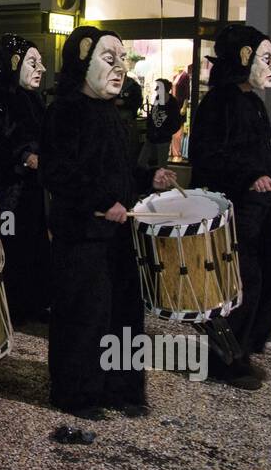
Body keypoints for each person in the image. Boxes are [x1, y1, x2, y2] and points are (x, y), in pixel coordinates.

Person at [42, 26, 176, 422]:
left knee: (124, 313)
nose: (120, 69)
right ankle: (76, 392)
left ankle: (122, 387)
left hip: (118, 235)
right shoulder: (63, 111)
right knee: (84, 315)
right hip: (81, 235)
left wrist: (147, 178)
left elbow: (117, 173)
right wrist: (102, 203)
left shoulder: (113, 114)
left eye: (123, 60)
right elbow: (58, 174)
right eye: (109, 59)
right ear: (82, 62)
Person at [189, 25, 271, 390]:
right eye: (267, 58)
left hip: (259, 211)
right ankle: (224, 361)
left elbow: (260, 155)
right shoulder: (218, 103)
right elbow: (207, 157)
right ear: (244, 59)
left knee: (269, 279)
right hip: (232, 212)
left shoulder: (253, 103)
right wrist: (249, 177)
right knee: (242, 285)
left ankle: (242, 351)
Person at [0, 34, 51, 325]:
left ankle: (34, 301)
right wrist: (24, 156)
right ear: (14, 63)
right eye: (33, 62)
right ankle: (11, 303)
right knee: (10, 244)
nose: (41, 69)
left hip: (33, 189)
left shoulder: (34, 100)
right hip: (8, 190)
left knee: (34, 242)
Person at [141, 78, 184, 170]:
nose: (156, 89)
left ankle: (159, 182)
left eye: (157, 87)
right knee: (143, 162)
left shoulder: (172, 103)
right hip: (152, 137)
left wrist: (165, 133)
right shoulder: (158, 99)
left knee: (161, 166)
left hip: (163, 139)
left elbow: (176, 122)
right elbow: (152, 116)